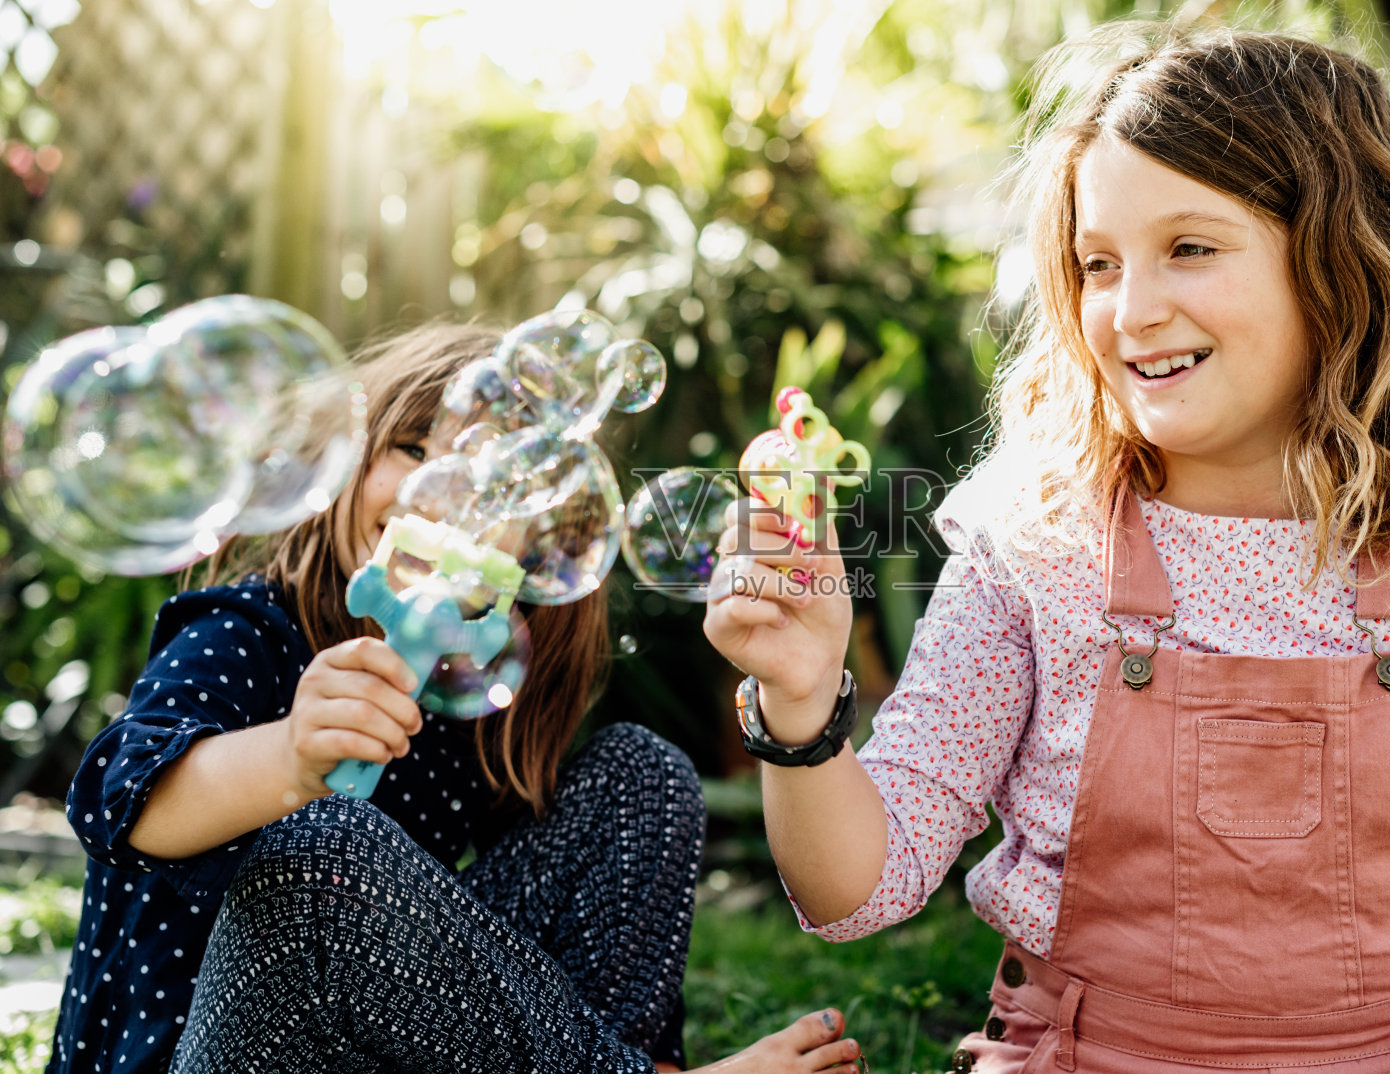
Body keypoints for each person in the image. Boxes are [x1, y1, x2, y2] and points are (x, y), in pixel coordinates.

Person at [704, 24, 1390, 1074]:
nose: (1129, 311)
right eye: (1096, 263)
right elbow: (858, 889)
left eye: (1190, 247)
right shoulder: (1033, 539)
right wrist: (800, 705)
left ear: (1344, 257)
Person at [48, 323, 866, 1074]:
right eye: (413, 452)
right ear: (344, 463)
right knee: (325, 844)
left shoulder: (470, 677)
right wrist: (290, 756)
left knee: (638, 777)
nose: (434, 498)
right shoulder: (249, 629)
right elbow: (121, 801)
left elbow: (522, 960)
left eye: (493, 490)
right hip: (201, 1054)